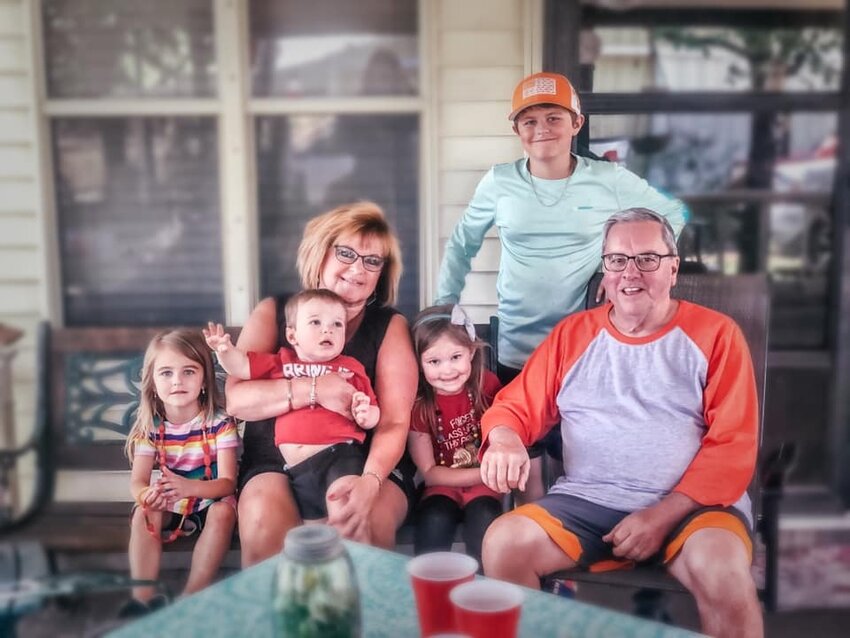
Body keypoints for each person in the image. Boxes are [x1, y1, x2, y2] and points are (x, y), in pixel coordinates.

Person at [479, 208, 763, 637]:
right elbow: (514, 407)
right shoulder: (572, 335)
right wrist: (503, 438)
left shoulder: (716, 334)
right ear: (605, 272)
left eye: (647, 259)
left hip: (693, 507)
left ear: (672, 268)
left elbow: (733, 443)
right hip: (587, 502)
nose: (631, 272)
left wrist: (662, 515)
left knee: (722, 571)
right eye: (617, 260)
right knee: (504, 542)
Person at [435, 71, 688, 500]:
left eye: (554, 117)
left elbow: (672, 215)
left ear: (576, 123)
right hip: (519, 345)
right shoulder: (500, 181)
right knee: (527, 469)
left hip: (586, 349)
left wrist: (621, 272)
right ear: (516, 129)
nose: (542, 130)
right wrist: (444, 307)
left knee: (584, 462)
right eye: (530, 121)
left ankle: (582, 547)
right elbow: (462, 242)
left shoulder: (608, 179)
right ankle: (530, 552)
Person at [227, 202, 418, 565]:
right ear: (320, 252)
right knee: (266, 528)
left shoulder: (388, 326)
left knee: (368, 527)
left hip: (363, 458)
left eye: (372, 261)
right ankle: (290, 621)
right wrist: (316, 390)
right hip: (275, 457)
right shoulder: (274, 311)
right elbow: (238, 400)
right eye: (346, 253)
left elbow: (394, 421)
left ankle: (363, 619)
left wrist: (370, 482)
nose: (357, 268)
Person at [204, 289, 379, 524]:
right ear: (293, 335)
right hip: (299, 469)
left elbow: (373, 409)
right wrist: (224, 351)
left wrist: (366, 415)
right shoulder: (282, 363)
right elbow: (242, 367)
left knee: (343, 516)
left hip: (340, 456)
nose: (328, 329)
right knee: (314, 534)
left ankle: (355, 556)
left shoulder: (349, 368)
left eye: (337, 324)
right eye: (315, 322)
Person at [122, 330, 238, 617]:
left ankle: (192, 596)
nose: (177, 381)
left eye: (188, 371)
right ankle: (143, 598)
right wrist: (147, 495)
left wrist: (191, 489)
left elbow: (226, 484)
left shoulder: (219, 424)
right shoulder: (149, 427)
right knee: (143, 512)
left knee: (224, 513)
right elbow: (137, 481)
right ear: (152, 382)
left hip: (210, 500)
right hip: (174, 500)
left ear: (203, 380)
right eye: (166, 373)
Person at [407, 304, 503, 565]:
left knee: (485, 517)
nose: (447, 370)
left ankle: (483, 594)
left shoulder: (489, 387)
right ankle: (431, 589)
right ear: (418, 362)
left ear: (471, 351)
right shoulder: (419, 406)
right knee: (433, 519)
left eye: (455, 357)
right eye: (434, 361)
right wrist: (484, 473)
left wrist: (491, 476)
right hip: (443, 486)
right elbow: (429, 471)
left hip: (486, 489)